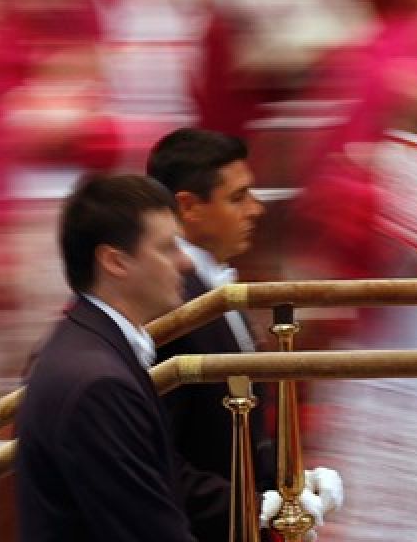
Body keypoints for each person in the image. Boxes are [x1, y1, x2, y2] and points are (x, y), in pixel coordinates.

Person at [15, 174, 227, 542]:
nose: (186, 263)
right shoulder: (98, 384)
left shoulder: (90, 348)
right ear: (115, 261)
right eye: (167, 248)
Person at [146, 127, 274, 534]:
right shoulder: (170, 304)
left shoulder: (211, 287)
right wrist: (250, 507)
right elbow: (159, 453)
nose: (256, 210)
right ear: (188, 207)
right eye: (238, 198)